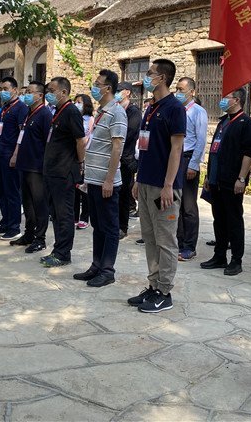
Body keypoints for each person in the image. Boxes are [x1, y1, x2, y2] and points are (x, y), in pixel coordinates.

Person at [127, 59, 186, 313]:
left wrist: (168, 185)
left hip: (164, 187)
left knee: (166, 241)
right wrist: (138, 178)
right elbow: (144, 147)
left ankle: (165, 292)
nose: (146, 77)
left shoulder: (174, 108)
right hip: (146, 182)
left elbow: (176, 149)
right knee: (150, 239)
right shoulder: (151, 108)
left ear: (162, 78)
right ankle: (153, 285)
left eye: (150, 73)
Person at [73, 70, 127, 287]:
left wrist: (109, 180)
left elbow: (117, 147)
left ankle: (107, 270)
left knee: (110, 227)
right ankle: (96, 265)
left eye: (98, 84)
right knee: (98, 225)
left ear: (108, 88)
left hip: (106, 182)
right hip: (94, 180)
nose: (94, 87)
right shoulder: (102, 112)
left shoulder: (117, 112)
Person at [200, 88, 251, 276]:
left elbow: (248, 153)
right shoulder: (223, 122)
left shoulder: (246, 123)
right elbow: (214, 150)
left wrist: (241, 178)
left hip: (232, 181)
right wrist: (208, 176)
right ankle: (219, 256)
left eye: (227, 97)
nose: (223, 100)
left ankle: (236, 260)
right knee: (219, 219)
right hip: (216, 179)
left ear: (237, 100)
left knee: (234, 220)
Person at [41, 77, 85, 267]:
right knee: (56, 214)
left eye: (52, 90)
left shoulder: (71, 111)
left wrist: (80, 163)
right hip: (52, 171)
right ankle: (58, 249)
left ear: (64, 92)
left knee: (64, 214)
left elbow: (80, 141)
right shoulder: (57, 111)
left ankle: (63, 253)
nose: (48, 94)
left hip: (64, 171)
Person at [9, 80, 52, 253]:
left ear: (40, 95)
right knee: (27, 203)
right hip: (24, 165)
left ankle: (40, 238)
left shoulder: (45, 114)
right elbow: (21, 137)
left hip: (37, 167)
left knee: (39, 204)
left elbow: (48, 142)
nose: (26, 95)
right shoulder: (29, 113)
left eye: (30, 92)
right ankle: (28, 234)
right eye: (26, 92)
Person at [0, 76, 27, 240]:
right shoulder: (5, 108)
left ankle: (14, 226)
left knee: (12, 192)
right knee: (1, 191)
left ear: (15, 90)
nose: (2, 92)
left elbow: (22, 134)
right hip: (0, 155)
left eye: (6, 89)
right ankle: (5, 223)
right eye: (1, 89)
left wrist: (16, 155)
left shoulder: (20, 108)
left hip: (10, 156)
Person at [174, 77, 208, 261]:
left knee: (188, 206)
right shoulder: (176, 110)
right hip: (176, 158)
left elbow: (201, 140)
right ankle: (178, 242)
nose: (178, 93)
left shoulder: (198, 112)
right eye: (177, 89)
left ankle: (189, 245)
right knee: (176, 203)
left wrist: (194, 164)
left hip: (188, 159)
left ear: (192, 92)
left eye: (182, 89)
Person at [116, 81, 141, 240]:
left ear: (127, 92)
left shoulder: (133, 112)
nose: (116, 93)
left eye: (119, 90)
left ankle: (122, 226)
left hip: (126, 159)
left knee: (124, 194)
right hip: (114, 157)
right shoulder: (115, 109)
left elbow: (129, 133)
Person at [73, 94, 93, 230]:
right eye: (75, 102)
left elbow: (87, 137)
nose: (77, 105)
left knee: (84, 188)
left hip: (85, 156)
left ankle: (84, 217)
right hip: (73, 156)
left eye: (79, 102)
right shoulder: (73, 117)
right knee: (74, 188)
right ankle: (74, 216)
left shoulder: (90, 119)